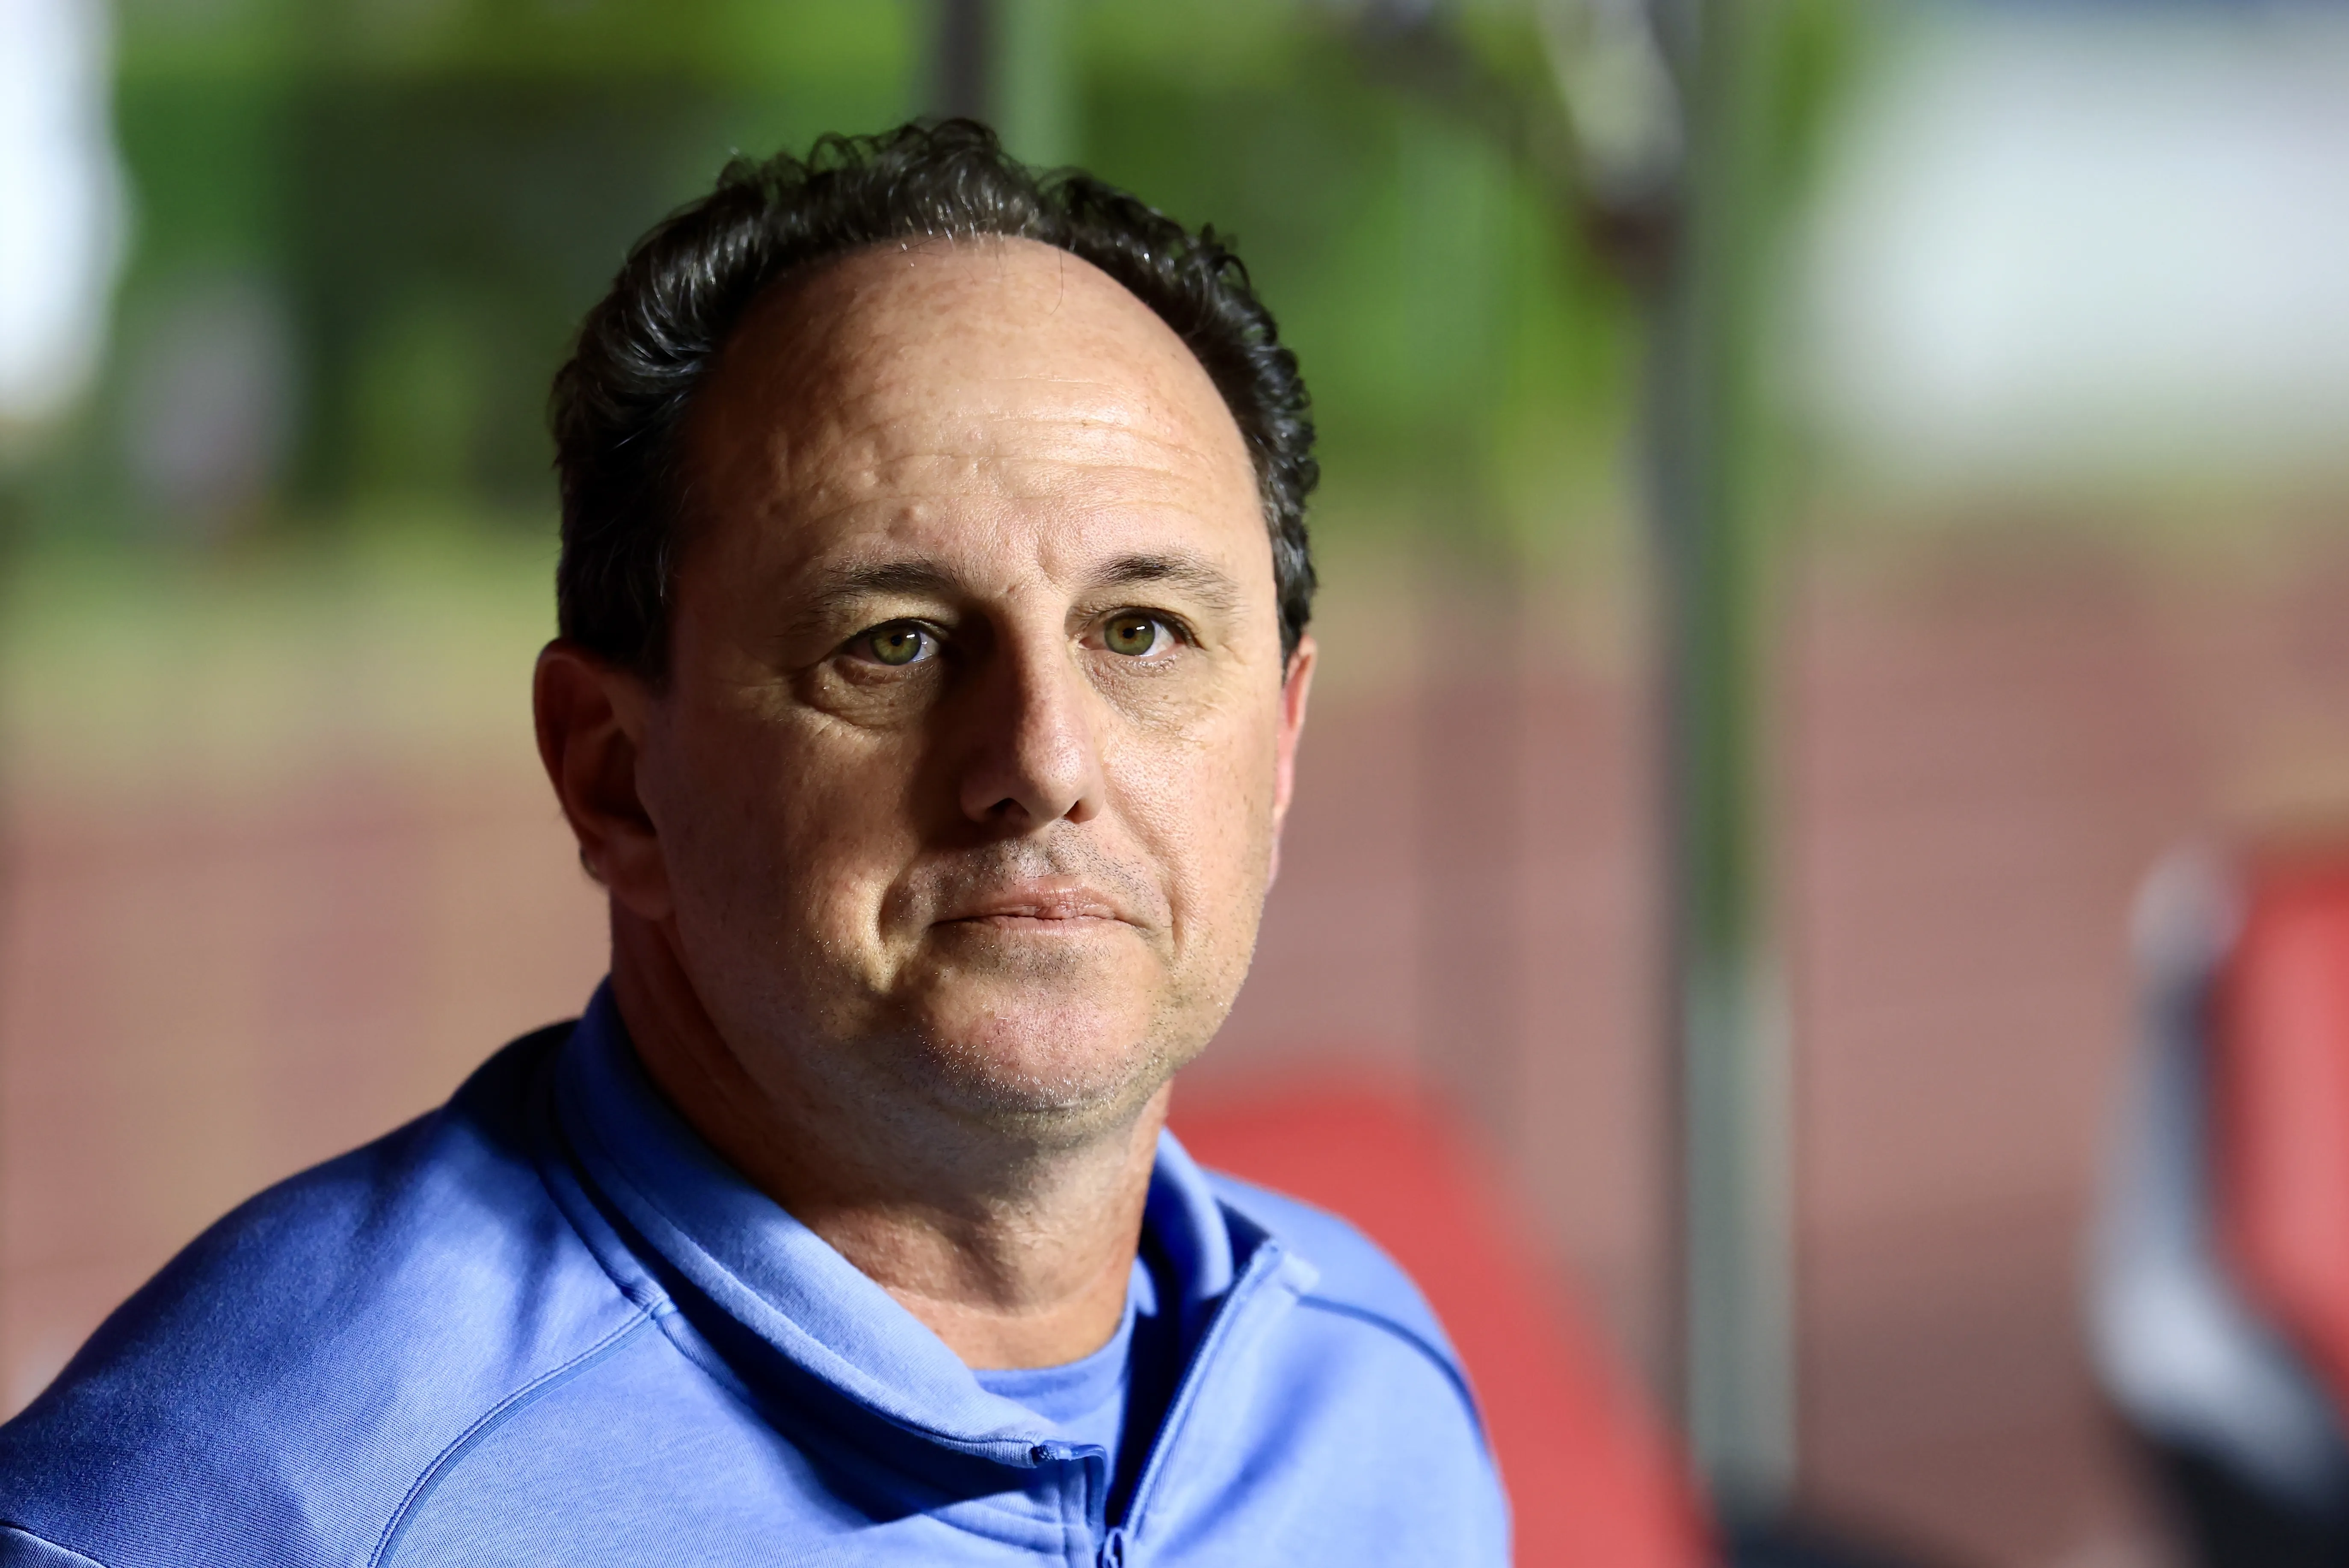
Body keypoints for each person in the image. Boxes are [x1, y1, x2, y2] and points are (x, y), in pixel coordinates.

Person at [0, 121, 1508, 1565]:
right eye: (897, 643)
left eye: (1142, 631)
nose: (1043, 763)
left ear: (1284, 743)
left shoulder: (1374, 1407)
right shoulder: (265, 1501)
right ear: (613, 779)